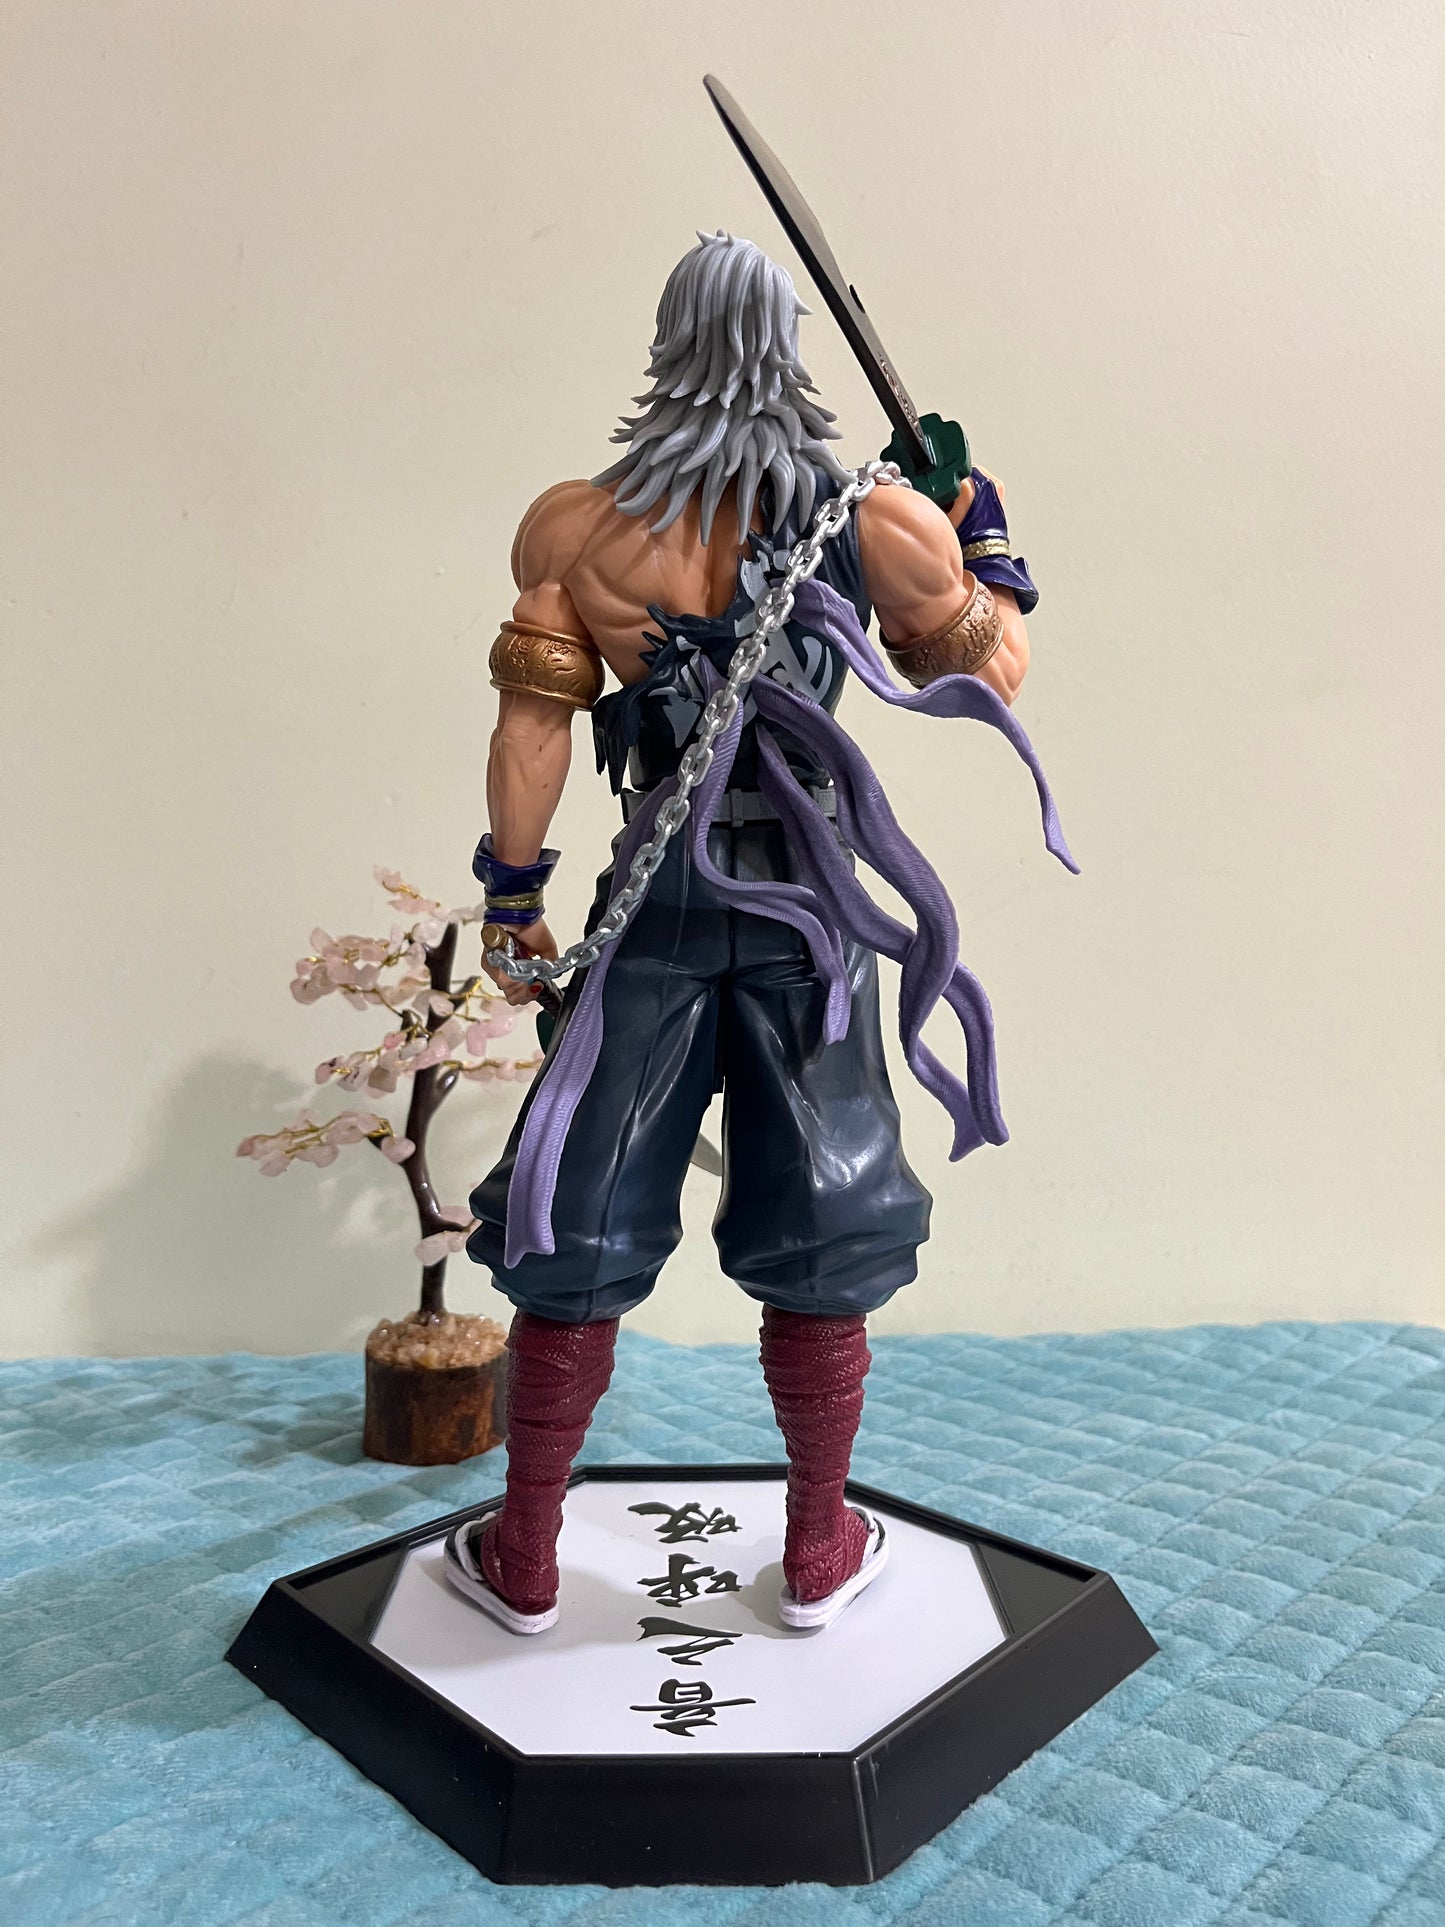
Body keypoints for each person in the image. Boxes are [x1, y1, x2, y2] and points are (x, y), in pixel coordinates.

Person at [444, 230, 1071, 1636]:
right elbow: (997, 669)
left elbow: (533, 731)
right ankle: (817, 1548)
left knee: (580, 1200)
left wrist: (512, 893)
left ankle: (529, 1554)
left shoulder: (574, 530)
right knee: (824, 1208)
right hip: (809, 905)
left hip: (655, 903)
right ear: (789, 351)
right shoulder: (881, 523)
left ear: (667, 349)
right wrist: (978, 523)